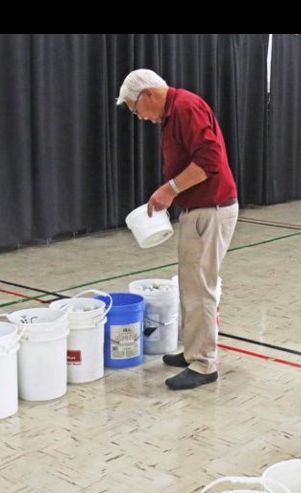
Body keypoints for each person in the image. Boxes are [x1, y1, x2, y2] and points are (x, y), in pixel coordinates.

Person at [116, 69, 238, 391]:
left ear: (149, 95)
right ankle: (192, 350)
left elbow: (210, 160)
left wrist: (169, 189)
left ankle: (204, 364)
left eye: (134, 108)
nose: (138, 117)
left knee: (200, 288)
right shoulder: (174, 114)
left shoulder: (186, 108)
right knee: (189, 284)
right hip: (197, 210)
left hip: (209, 210)